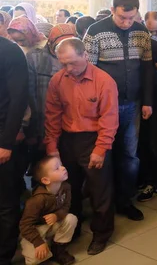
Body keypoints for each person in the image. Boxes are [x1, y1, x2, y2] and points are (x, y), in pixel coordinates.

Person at [83, 0, 153, 222]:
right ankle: (104, 204)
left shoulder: (141, 32)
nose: (127, 23)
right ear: (112, 10)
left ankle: (125, 201)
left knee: (130, 156)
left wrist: (148, 101)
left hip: (132, 104)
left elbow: (146, 68)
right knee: (104, 153)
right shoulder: (95, 31)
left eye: (131, 18)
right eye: (123, 17)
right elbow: (87, 71)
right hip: (103, 107)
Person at [44, 38, 118, 255]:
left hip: (93, 139)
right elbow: (52, 116)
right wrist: (51, 146)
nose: (68, 68)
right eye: (63, 63)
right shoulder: (58, 80)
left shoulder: (104, 81)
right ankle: (72, 227)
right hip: (68, 140)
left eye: (72, 63)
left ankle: (102, 233)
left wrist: (100, 149)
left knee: (99, 190)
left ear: (85, 55)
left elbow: (109, 119)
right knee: (69, 188)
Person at [26, 24, 77, 177]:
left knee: (67, 166)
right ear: (51, 42)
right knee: (43, 166)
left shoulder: (77, 56)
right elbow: (29, 92)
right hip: (42, 118)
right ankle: (41, 198)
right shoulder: (35, 57)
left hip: (69, 121)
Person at [0, 35, 29, 264]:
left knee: (5, 201)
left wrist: (6, 143)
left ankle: (4, 254)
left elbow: (18, 99)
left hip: (2, 136)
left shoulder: (10, 51)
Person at [19, 156, 77, 265]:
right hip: (35, 231)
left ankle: (58, 251)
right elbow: (25, 225)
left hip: (51, 225)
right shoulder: (37, 200)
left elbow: (66, 207)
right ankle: (41, 246)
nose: (63, 168)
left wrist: (57, 215)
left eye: (61, 165)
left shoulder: (66, 187)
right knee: (36, 259)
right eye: (57, 168)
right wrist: (38, 242)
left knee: (71, 218)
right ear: (46, 180)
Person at [137, 38, 157, 202]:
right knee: (138, 143)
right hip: (134, 101)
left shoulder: (154, 46)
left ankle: (153, 181)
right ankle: (141, 178)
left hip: (154, 101)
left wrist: (145, 80)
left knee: (152, 142)